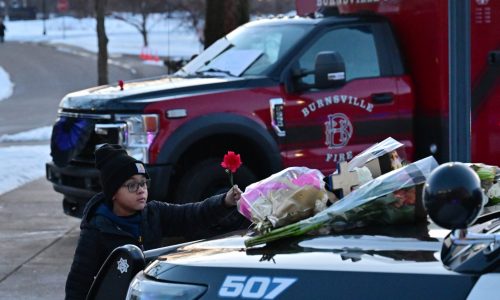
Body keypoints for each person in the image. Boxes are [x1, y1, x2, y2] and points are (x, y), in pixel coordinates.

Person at [65, 144, 243, 300]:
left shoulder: (154, 213)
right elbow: (79, 283)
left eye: (143, 183)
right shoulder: (97, 229)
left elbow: (192, 214)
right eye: (132, 185)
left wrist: (224, 201)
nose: (141, 190)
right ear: (113, 193)